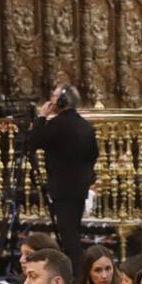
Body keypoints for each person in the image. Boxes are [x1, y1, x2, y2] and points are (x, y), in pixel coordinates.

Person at [29, 85, 99, 269]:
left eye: (53, 96)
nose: (50, 100)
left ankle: (79, 272)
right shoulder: (86, 126)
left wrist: (41, 117)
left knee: (69, 236)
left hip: (62, 187)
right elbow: (93, 155)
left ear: (61, 101)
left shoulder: (56, 125)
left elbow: (32, 142)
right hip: (80, 186)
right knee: (73, 229)